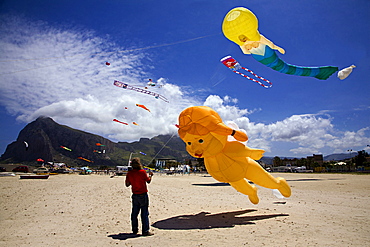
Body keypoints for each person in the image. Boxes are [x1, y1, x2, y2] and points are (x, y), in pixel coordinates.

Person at [125, 157, 154, 236]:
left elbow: (127, 184)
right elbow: (148, 181)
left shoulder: (129, 173)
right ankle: (145, 231)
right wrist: (151, 175)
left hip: (135, 195)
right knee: (144, 213)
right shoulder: (142, 172)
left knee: (134, 213)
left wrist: (132, 179)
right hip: (143, 195)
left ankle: (135, 229)